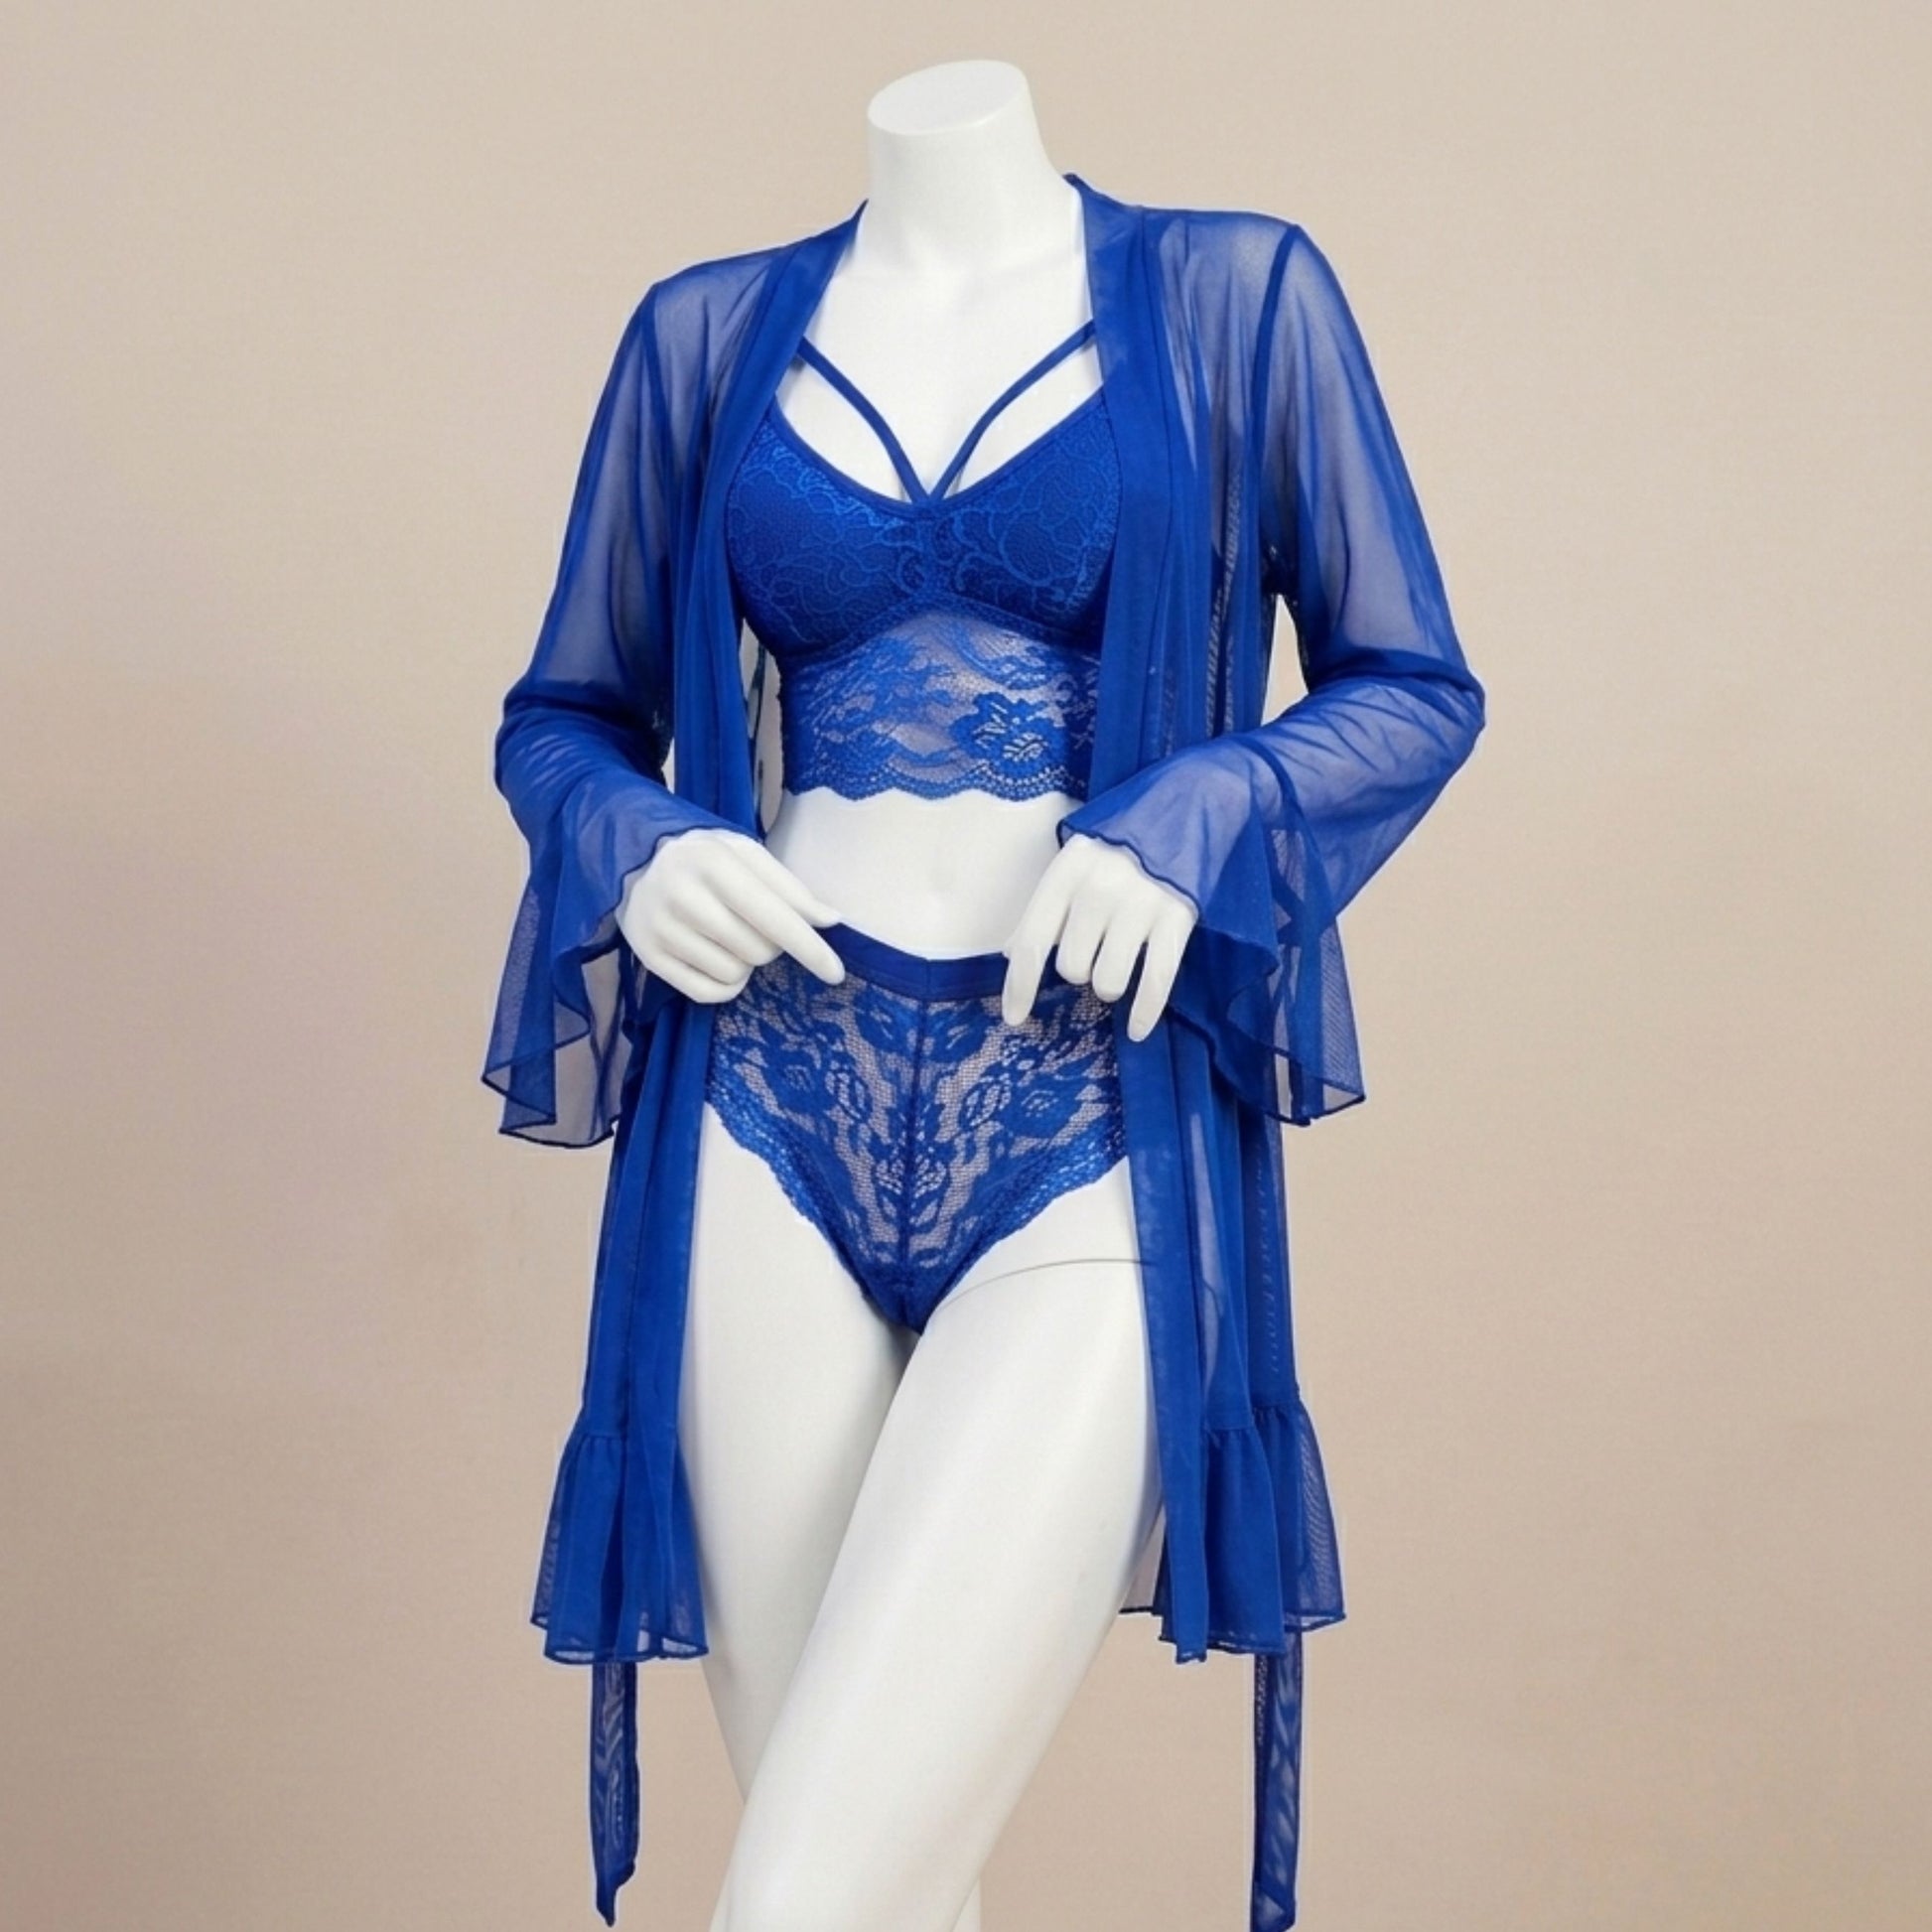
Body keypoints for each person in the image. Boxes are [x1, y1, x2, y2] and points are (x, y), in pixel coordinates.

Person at [482, 59, 1486, 1932]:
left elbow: (1411, 685)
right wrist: (634, 838)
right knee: (880, 1885)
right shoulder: (702, 336)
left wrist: (1195, 811)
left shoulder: (1235, 295)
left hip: (1087, 1115)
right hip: (760, 1102)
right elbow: (563, 717)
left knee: (806, 1897)